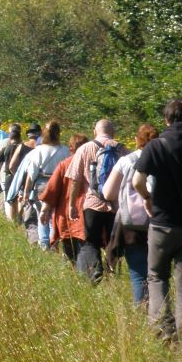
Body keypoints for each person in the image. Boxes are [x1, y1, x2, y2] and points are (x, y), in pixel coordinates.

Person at [133, 100, 182, 338]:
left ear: (166, 120)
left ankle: (164, 332)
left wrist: (147, 198)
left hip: (162, 224)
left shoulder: (156, 145)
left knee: (157, 276)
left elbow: (137, 181)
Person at [103, 123, 159, 305]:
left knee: (138, 274)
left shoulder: (126, 161)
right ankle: (159, 310)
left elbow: (108, 193)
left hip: (131, 226)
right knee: (159, 274)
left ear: (137, 140)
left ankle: (142, 312)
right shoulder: (163, 160)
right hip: (159, 222)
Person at [66, 119, 124, 282]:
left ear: (94, 132)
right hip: (115, 205)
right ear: (113, 132)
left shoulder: (85, 148)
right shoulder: (122, 149)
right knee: (113, 243)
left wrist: (72, 205)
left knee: (91, 241)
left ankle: (94, 270)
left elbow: (75, 180)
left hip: (92, 204)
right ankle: (112, 273)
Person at [19, 122, 70, 248]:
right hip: (59, 185)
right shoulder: (65, 150)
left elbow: (31, 174)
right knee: (54, 215)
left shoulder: (39, 150)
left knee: (41, 214)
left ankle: (44, 244)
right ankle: (54, 243)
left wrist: (26, 192)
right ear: (58, 133)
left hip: (42, 184)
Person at [41, 133, 89, 264]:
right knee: (86, 248)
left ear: (71, 148)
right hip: (86, 213)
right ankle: (85, 274)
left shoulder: (64, 165)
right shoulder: (92, 165)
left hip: (67, 214)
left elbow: (51, 189)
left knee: (69, 251)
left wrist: (44, 210)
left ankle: (74, 272)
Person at [3, 123, 40, 223]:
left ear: (28, 135)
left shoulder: (22, 146)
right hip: (38, 178)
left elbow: (11, 166)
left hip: (23, 177)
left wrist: (18, 177)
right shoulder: (42, 148)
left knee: (18, 199)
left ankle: (18, 221)